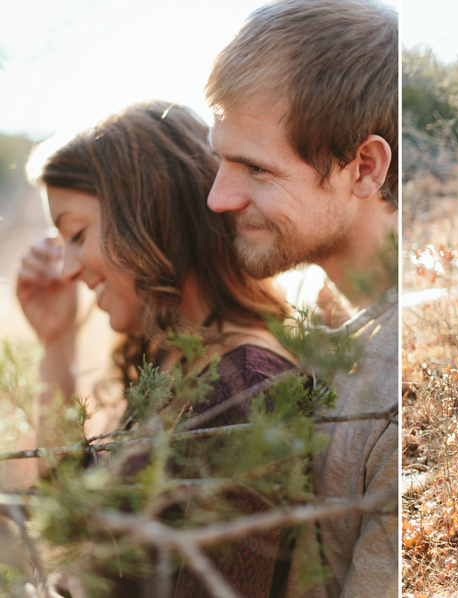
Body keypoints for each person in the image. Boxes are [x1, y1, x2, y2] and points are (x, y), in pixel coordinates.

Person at [16, 100, 298, 596]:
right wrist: (57, 344)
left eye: (76, 234)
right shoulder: (170, 362)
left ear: (148, 213)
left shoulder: (248, 386)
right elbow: (71, 518)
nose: (66, 269)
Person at [204, 0, 398, 595]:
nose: (219, 197)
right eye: (221, 159)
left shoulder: (402, 380)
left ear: (363, 168)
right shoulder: (308, 302)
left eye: (255, 169)